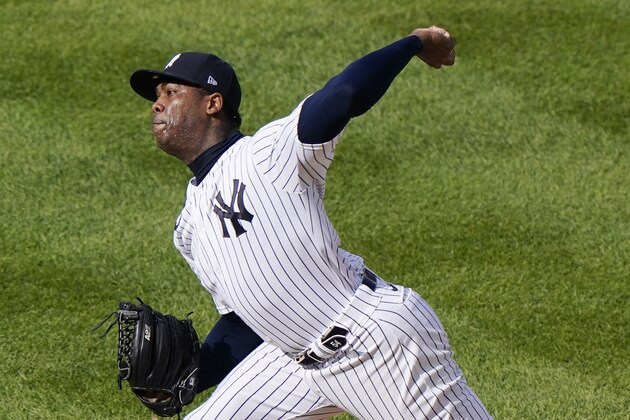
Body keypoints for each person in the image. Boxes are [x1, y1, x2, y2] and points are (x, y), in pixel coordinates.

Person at [130, 25, 492, 419]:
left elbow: (344, 94)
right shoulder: (189, 226)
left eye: (171, 93)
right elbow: (243, 322)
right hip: (292, 362)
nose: (156, 104)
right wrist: (190, 377)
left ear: (212, 103)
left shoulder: (267, 154)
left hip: (373, 342)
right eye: (157, 96)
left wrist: (416, 42)